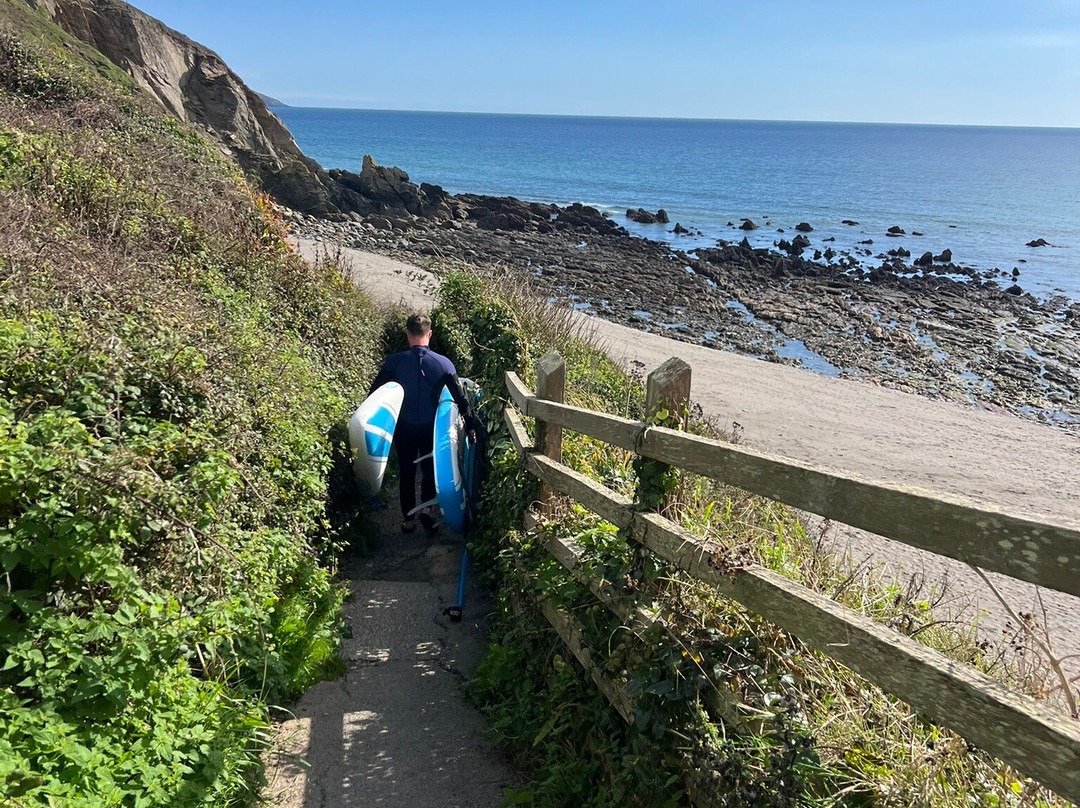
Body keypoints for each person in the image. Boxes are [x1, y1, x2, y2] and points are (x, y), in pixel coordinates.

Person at [369, 313, 480, 533]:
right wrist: (470, 426)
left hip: (404, 427)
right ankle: (428, 510)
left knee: (407, 472)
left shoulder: (394, 362)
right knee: (431, 469)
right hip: (431, 428)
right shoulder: (443, 364)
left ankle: (408, 519)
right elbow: (461, 399)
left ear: (408, 334)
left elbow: (375, 395)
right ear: (430, 334)